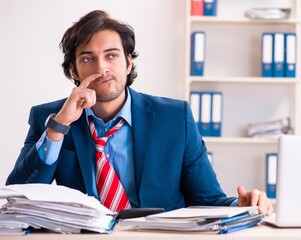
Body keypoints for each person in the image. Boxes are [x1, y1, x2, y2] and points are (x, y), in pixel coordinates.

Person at [6, 10, 272, 215]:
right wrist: (59, 127)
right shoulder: (50, 118)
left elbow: (208, 199)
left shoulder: (175, 117)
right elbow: (18, 197)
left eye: (111, 56)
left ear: (128, 61)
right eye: (88, 59)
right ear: (74, 71)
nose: (102, 68)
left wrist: (240, 205)